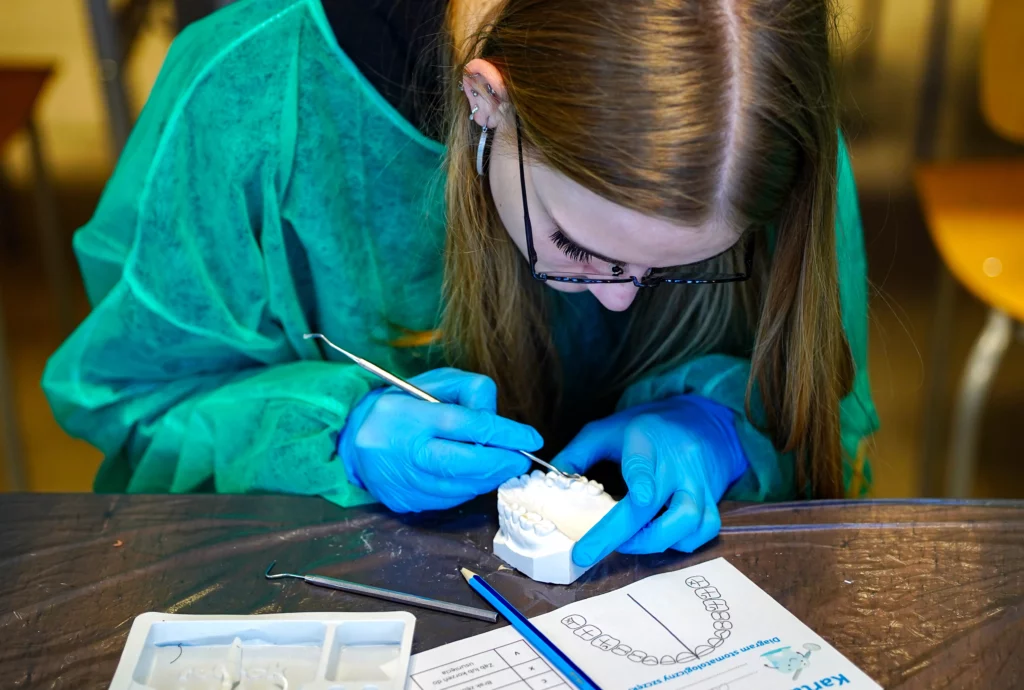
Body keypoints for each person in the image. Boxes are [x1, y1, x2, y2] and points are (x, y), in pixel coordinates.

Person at [43, 0, 878, 569]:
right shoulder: (254, 94)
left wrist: (730, 429)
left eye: (680, 264)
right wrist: (333, 434)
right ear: (486, 100)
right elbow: (134, 404)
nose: (622, 298)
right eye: (577, 246)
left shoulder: (746, 111)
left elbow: (823, 413)